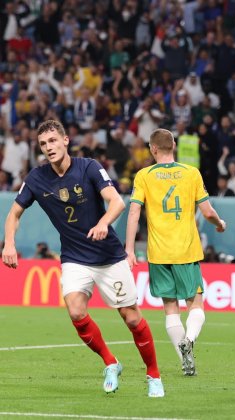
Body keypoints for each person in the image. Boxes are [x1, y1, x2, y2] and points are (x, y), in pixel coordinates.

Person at [2, 119, 164, 397]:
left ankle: (154, 376)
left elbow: (117, 202)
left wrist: (103, 224)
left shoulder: (88, 166)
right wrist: (9, 244)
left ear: (65, 141)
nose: (48, 147)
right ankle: (111, 363)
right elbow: (14, 213)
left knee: (132, 318)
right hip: (74, 258)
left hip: (108, 256)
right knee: (76, 311)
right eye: (43, 144)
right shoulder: (36, 178)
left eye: (53, 141)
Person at [125, 128, 227, 377]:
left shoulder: (143, 176)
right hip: (186, 251)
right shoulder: (191, 173)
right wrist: (220, 224)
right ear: (174, 146)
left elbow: (134, 212)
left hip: (158, 253)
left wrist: (129, 249)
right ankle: (189, 339)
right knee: (196, 303)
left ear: (153, 149)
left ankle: (184, 359)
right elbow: (208, 212)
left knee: (170, 308)